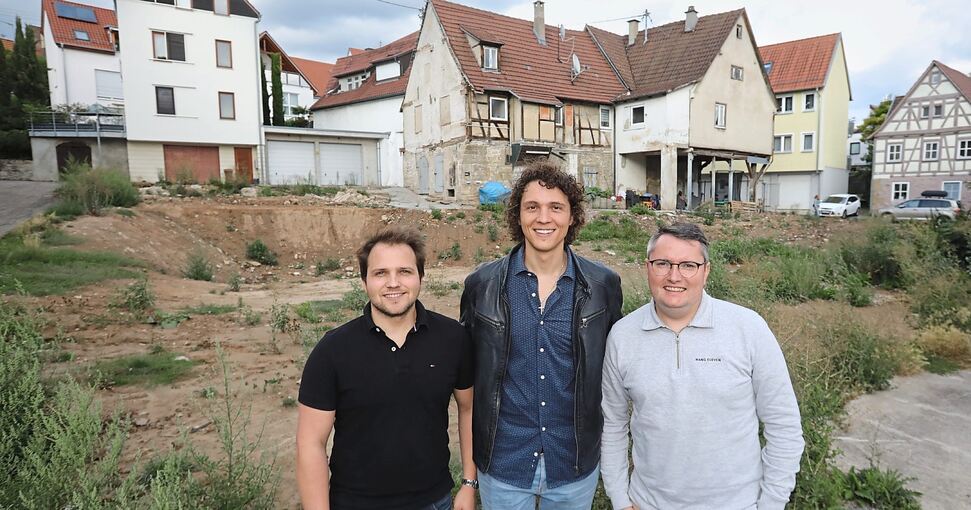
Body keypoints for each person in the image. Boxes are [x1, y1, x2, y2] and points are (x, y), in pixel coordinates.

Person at [601, 222, 804, 510]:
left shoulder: (748, 328)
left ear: (706, 270)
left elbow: (784, 425)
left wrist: (772, 503)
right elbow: (612, 426)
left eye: (688, 265)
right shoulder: (622, 337)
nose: (674, 276)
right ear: (647, 266)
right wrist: (620, 500)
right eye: (663, 263)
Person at [460, 161, 623, 509]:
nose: (543, 218)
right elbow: (467, 379)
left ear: (572, 216)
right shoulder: (482, 286)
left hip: (573, 465)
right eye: (532, 207)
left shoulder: (602, 286)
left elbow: (614, 372)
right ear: (517, 216)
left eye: (556, 208)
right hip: (503, 464)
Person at [297, 227, 476, 510]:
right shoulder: (332, 350)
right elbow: (310, 444)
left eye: (404, 271)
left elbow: (469, 409)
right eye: (380, 273)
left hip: (434, 501)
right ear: (364, 280)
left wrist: (469, 482)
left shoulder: (453, 338)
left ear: (421, 276)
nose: (393, 283)